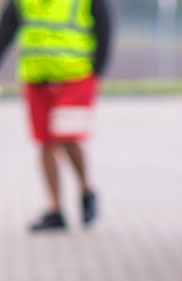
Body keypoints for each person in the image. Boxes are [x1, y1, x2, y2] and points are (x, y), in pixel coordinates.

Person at [0, 0, 112, 232]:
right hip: (36, 77)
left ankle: (85, 190)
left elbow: (104, 29)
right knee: (45, 142)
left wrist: (97, 71)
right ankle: (55, 209)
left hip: (74, 77)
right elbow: (4, 33)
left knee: (68, 137)